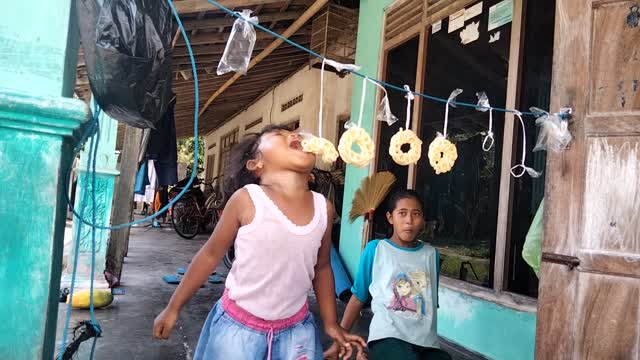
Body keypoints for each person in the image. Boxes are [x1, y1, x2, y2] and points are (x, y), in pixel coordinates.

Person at [153, 124, 366, 360]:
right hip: (238, 329)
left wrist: (330, 322)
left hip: (297, 331)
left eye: (294, 134)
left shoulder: (323, 208)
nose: (294, 136)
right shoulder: (247, 199)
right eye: (280, 135)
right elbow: (210, 255)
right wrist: (173, 307)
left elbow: (322, 267)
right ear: (256, 164)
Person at [324, 190, 451, 360]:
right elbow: (357, 298)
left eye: (416, 214)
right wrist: (338, 342)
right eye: (402, 213)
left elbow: (430, 302)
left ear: (422, 220)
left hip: (426, 341)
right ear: (390, 217)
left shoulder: (431, 255)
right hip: (388, 336)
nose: (409, 220)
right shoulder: (376, 249)